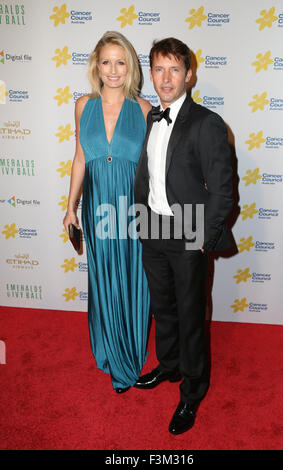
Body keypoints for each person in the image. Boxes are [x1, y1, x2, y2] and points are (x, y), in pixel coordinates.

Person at [134, 38, 233, 434]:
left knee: (191, 315)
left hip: (189, 231)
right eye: (159, 69)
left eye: (175, 69)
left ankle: (192, 392)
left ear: (189, 75)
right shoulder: (150, 117)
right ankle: (170, 365)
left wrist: (203, 240)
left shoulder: (207, 123)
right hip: (152, 227)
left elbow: (223, 191)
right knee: (164, 308)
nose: (166, 78)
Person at [63, 31, 151, 393]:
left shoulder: (144, 109)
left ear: (129, 66)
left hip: (133, 211)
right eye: (106, 62)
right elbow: (81, 157)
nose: (113, 70)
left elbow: (154, 166)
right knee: (104, 281)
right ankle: (111, 353)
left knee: (134, 281)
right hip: (97, 208)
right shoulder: (83, 105)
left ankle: (129, 353)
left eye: (120, 62)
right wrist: (70, 207)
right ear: (96, 66)